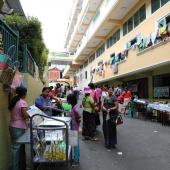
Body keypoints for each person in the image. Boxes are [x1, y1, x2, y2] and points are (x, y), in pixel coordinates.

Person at [8, 86, 30, 170]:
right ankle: (16, 168)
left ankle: (21, 167)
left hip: (12, 126)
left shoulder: (13, 101)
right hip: (18, 127)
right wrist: (32, 113)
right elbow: (25, 116)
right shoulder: (23, 103)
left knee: (17, 148)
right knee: (17, 150)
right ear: (24, 94)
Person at [67, 94, 81, 169]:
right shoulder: (73, 106)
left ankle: (75, 161)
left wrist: (76, 119)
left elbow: (79, 115)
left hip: (75, 127)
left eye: (68, 100)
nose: (67, 101)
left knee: (75, 144)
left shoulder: (75, 107)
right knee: (76, 143)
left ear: (71, 100)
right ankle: (77, 158)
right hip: (74, 126)